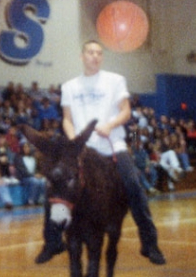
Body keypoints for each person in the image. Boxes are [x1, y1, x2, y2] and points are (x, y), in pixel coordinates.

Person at [35, 40, 166, 265]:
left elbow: (125, 111)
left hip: (111, 144)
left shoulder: (115, 80)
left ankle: (149, 243)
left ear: (101, 57)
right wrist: (74, 140)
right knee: (56, 184)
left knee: (133, 185)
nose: (94, 56)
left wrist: (111, 125)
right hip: (83, 150)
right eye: (90, 52)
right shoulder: (69, 86)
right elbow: (67, 119)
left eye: (98, 53)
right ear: (82, 56)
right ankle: (53, 241)